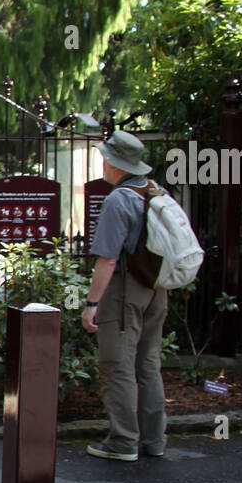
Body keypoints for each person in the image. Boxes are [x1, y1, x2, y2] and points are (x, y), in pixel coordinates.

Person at [82, 130, 168, 461]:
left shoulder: (119, 199)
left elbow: (108, 258)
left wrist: (92, 304)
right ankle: (153, 440)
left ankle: (123, 441)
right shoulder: (155, 190)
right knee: (147, 362)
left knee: (117, 364)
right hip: (156, 287)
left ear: (113, 162)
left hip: (126, 289)